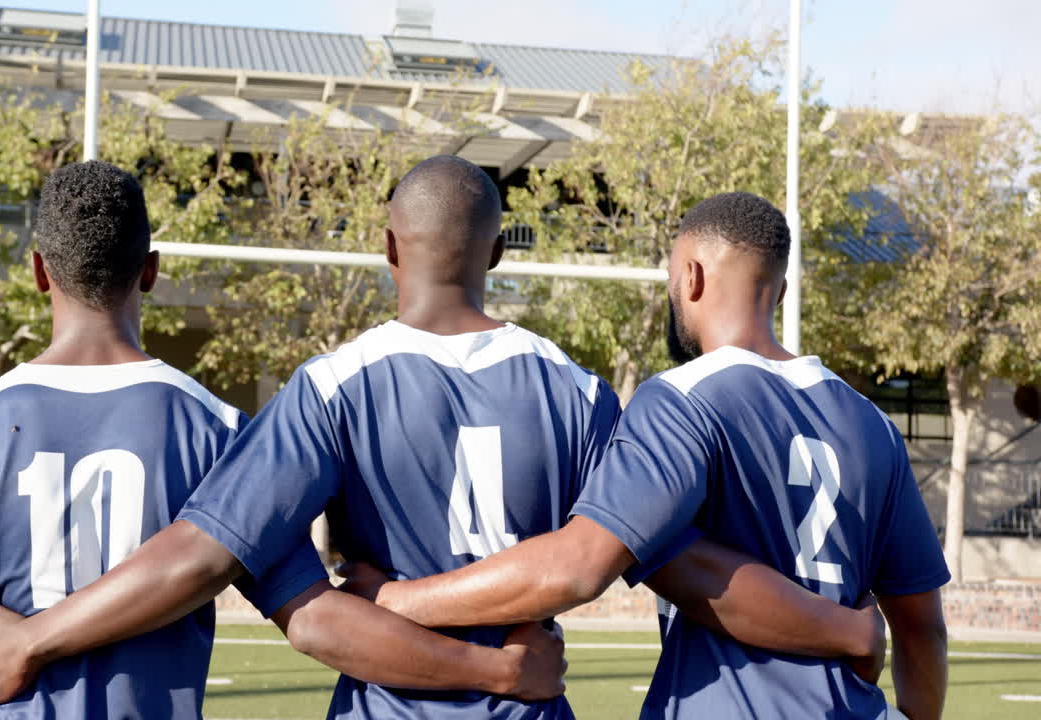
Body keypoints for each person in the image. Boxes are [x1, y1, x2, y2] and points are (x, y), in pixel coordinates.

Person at [0, 159, 886, 718]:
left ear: (388, 248)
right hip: (528, 710)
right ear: (495, 255)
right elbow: (680, 564)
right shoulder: (575, 391)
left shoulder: (330, 388)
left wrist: (34, 638)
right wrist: (844, 627)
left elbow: (210, 563)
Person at [0, 161, 568, 720]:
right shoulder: (219, 431)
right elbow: (314, 619)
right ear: (150, 272)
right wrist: (494, 671)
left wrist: (25, 640)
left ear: (37, 272)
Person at [338, 191, 950, 720]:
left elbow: (580, 564)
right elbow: (922, 628)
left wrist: (394, 600)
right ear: (781, 289)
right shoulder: (872, 423)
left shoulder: (683, 398)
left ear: (692, 277)